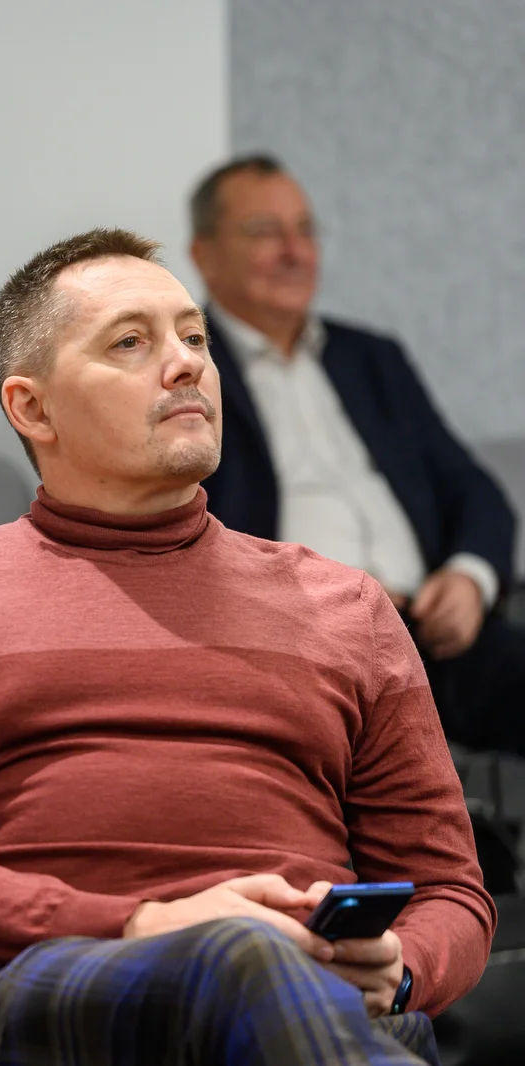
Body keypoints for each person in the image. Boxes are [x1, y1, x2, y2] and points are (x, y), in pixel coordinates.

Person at [0, 229, 493, 1066]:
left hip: (326, 1011)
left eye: (195, 338)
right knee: (244, 954)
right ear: (31, 408)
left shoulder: (346, 607)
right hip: (44, 1007)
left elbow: (450, 891)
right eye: (131, 343)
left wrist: (401, 966)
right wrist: (144, 923)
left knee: (275, 976)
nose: (185, 364)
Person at [189, 154, 524, 756]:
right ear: (204, 254)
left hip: (435, 632)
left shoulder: (372, 359)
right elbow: (183, 532)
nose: (294, 251)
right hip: (297, 644)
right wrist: (322, 601)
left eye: (305, 230)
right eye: (265, 232)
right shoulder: (185, 373)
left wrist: (469, 578)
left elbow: (471, 488)